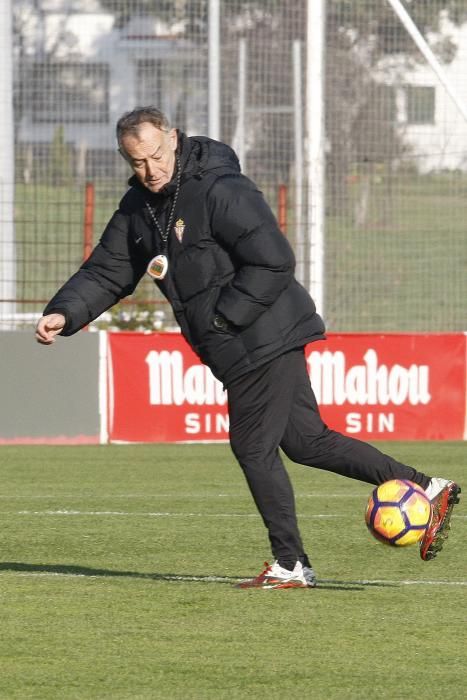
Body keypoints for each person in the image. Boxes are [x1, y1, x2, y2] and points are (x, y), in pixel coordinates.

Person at [35, 106, 461, 589]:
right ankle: (428, 488)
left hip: (261, 336)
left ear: (172, 139)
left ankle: (291, 563)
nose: (150, 170)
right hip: (241, 345)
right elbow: (106, 270)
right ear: (125, 159)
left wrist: (224, 319)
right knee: (306, 442)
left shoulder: (221, 189)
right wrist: (65, 312)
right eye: (137, 163)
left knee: (252, 446)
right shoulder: (139, 210)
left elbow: (275, 260)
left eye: (155, 156)